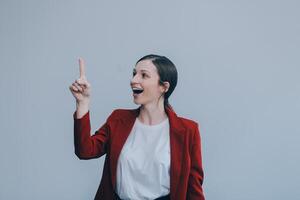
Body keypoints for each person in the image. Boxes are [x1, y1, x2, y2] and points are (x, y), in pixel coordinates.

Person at [69, 54, 205, 200]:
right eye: (134, 74)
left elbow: (193, 187)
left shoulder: (188, 131)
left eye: (144, 75)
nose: (133, 80)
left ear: (164, 87)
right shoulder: (118, 119)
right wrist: (83, 103)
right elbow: (85, 151)